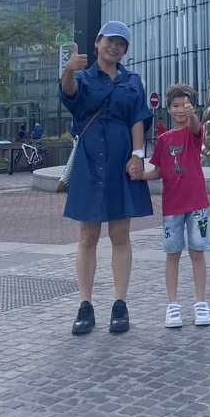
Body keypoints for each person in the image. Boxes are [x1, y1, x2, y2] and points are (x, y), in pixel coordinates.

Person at [59, 21, 153, 336]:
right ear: (98, 42)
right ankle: (85, 305)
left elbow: (138, 118)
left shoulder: (132, 81)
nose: (115, 47)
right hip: (89, 161)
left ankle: (119, 304)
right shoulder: (82, 77)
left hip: (121, 164)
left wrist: (138, 156)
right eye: (110, 41)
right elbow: (70, 95)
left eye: (121, 43)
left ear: (125, 50)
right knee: (87, 236)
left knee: (120, 235)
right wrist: (68, 70)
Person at [141, 83, 210, 328]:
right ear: (168, 109)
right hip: (172, 205)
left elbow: (195, 127)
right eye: (176, 106)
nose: (181, 110)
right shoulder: (163, 140)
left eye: (186, 105)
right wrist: (139, 175)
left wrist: (193, 115)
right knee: (172, 254)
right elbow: (158, 172)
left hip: (197, 202)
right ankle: (173, 306)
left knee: (197, 252)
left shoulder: (196, 131)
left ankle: (200, 303)